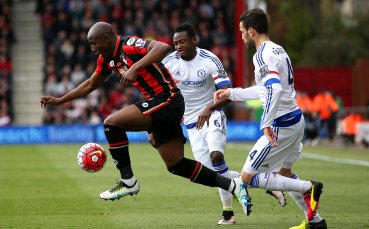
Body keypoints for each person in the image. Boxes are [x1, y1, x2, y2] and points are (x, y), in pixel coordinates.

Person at [40, 22, 252, 215]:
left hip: (168, 99)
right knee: (176, 164)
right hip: (160, 106)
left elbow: (162, 47)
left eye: (93, 43)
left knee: (111, 123)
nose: (92, 48)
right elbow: (91, 83)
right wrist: (60, 100)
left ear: (107, 38)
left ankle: (128, 181)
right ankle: (231, 185)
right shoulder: (106, 60)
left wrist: (134, 67)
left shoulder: (128, 44)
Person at [214, 9, 327, 229]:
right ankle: (315, 221)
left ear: (252, 31)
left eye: (243, 32)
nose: (242, 36)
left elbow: (273, 88)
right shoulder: (278, 49)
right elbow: (265, 89)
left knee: (247, 176)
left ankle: (308, 187)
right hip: (296, 120)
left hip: (282, 125)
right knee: (284, 173)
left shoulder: (261, 54)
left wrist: (265, 123)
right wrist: (233, 93)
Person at [158, 22, 239, 225]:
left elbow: (227, 93)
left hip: (213, 115)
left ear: (194, 40)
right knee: (210, 174)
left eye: (183, 41)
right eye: (175, 43)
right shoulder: (169, 63)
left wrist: (209, 108)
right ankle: (258, 180)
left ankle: (228, 213)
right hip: (192, 125)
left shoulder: (209, 60)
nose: (178, 46)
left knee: (216, 156)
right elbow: (159, 94)